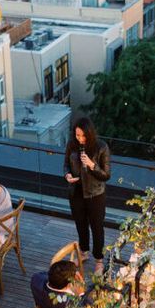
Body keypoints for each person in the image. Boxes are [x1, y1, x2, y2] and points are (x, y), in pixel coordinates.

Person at [64, 116, 111, 276]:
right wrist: (68, 175)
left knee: (97, 227)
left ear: (90, 134)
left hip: (95, 195)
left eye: (83, 136)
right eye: (77, 135)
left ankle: (99, 260)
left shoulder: (101, 147)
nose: (80, 139)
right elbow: (65, 165)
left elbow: (106, 175)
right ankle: (84, 252)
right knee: (81, 224)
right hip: (76, 192)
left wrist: (92, 165)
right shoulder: (71, 144)